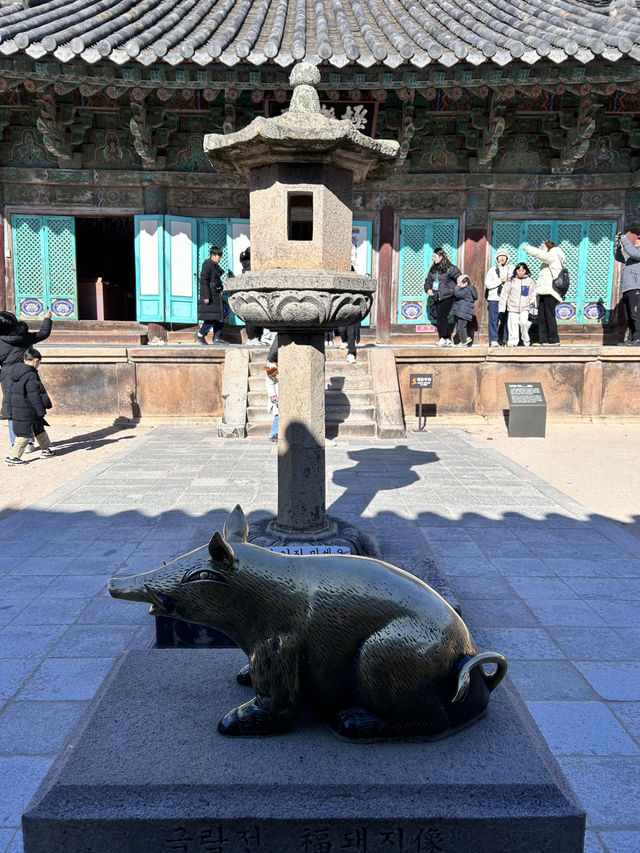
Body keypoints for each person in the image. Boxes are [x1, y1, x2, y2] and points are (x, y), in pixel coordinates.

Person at [0, 308, 52, 447]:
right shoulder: (25, 337)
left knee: (13, 409)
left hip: (8, 377)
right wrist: (47, 319)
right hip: (27, 373)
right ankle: (29, 442)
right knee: (29, 405)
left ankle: (16, 443)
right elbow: (44, 333)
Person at [6, 347, 54, 466]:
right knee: (24, 434)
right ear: (35, 361)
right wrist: (41, 410)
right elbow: (34, 395)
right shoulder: (31, 375)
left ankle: (46, 449)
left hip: (18, 408)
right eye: (39, 363)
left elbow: (9, 393)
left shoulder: (14, 373)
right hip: (28, 409)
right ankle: (13, 457)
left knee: (38, 428)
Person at [523, 241, 565, 346]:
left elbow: (541, 254)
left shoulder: (554, 255)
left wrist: (528, 248)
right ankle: (543, 339)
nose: (541, 249)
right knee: (541, 316)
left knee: (549, 315)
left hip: (550, 292)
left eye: (543, 247)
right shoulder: (546, 262)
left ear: (549, 248)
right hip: (543, 292)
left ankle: (554, 339)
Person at [424, 248, 462, 347]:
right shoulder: (433, 269)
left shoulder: (451, 268)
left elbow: (460, 278)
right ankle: (447, 339)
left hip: (448, 296)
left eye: (435, 256)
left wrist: (454, 289)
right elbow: (428, 281)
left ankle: (443, 338)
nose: (434, 258)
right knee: (441, 317)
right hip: (437, 296)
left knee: (441, 316)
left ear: (441, 257)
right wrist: (428, 289)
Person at [499, 262, 536, 347]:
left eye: (523, 270)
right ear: (516, 271)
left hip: (525, 307)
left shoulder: (530, 281)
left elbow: (533, 293)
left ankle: (526, 340)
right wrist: (502, 307)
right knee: (513, 325)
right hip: (512, 307)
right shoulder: (511, 281)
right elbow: (504, 294)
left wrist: (531, 303)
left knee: (523, 323)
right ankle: (512, 342)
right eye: (519, 270)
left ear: (526, 271)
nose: (520, 272)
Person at [614, 227, 640, 346]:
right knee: (629, 315)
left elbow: (633, 252)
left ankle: (637, 338)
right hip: (628, 288)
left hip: (636, 287)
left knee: (636, 314)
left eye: (639, 239)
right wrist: (617, 245)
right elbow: (619, 257)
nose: (636, 241)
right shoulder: (631, 256)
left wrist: (624, 240)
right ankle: (631, 338)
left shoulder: (636, 254)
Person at [194, 245, 224, 345]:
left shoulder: (214, 265)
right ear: (213, 255)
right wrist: (206, 296)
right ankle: (201, 334)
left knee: (221, 314)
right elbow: (204, 280)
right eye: (218, 256)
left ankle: (217, 337)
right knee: (213, 316)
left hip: (216, 294)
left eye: (220, 256)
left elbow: (216, 280)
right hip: (210, 295)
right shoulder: (207, 264)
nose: (220, 258)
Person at [484, 248, 513, 346]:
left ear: (507, 258)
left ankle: (506, 340)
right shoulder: (492, 270)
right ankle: (493, 340)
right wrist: (500, 280)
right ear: (496, 258)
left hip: (507, 299)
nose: (502, 258)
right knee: (493, 319)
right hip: (494, 298)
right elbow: (488, 285)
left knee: (507, 319)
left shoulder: (512, 269)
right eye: (500, 256)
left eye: (504, 256)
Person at [240, 247, 263, 346]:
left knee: (250, 316)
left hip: (247, 294)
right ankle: (252, 338)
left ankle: (253, 338)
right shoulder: (252, 266)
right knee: (252, 317)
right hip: (253, 293)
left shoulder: (245, 264)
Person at [451, 275, 478, 347]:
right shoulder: (469, 289)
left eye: (460, 283)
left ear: (465, 283)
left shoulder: (466, 289)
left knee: (461, 327)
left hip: (463, 311)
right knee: (460, 326)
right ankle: (464, 340)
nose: (458, 285)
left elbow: (458, 294)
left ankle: (464, 341)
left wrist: (456, 287)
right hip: (463, 311)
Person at [265, 335, 278, 441]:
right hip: (279, 391)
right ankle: (275, 433)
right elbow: (269, 381)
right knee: (279, 413)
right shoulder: (272, 364)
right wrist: (272, 395)